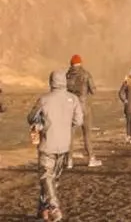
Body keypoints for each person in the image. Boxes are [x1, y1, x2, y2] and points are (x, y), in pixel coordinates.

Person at [28, 70, 83, 222]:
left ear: (51, 82)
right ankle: (43, 211)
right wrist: (65, 125)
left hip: (47, 144)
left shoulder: (44, 100)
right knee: (53, 180)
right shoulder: (73, 99)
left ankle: (54, 207)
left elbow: (31, 117)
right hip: (64, 145)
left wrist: (41, 124)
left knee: (46, 177)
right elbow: (78, 121)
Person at [65, 54, 102, 168]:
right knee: (87, 134)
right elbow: (93, 90)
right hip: (84, 107)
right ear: (80, 63)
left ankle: (69, 161)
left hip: (71, 108)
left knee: (70, 135)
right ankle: (91, 158)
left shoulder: (67, 75)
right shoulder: (86, 74)